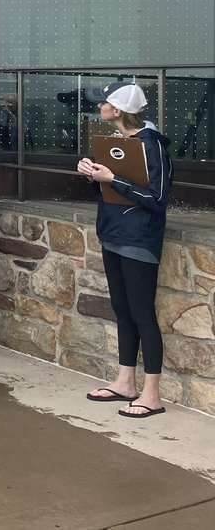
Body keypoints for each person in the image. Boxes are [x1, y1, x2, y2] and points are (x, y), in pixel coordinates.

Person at [77, 81, 173, 418]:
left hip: (139, 239)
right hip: (113, 234)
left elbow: (157, 200)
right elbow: (110, 193)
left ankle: (152, 394)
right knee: (122, 308)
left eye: (102, 102)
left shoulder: (152, 147)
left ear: (117, 110)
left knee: (142, 312)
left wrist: (113, 179)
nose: (98, 107)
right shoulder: (117, 144)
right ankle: (125, 382)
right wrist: (93, 176)